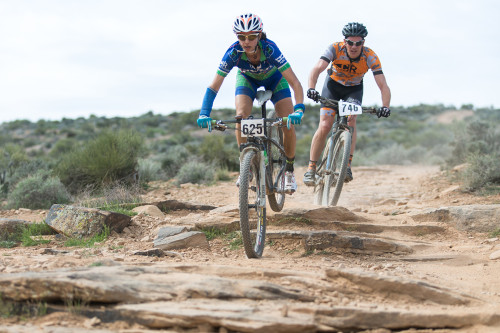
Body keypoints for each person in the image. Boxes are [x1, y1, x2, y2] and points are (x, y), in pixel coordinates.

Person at [197, 13, 305, 193]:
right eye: (241, 37)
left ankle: (289, 171)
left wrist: (299, 109)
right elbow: (214, 86)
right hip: (248, 80)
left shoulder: (270, 49)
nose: (246, 41)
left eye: (252, 37)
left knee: (287, 121)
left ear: (259, 35)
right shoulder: (233, 53)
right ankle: (246, 166)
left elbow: (295, 82)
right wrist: (204, 113)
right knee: (241, 117)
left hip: (275, 79)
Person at [304, 22, 391, 185]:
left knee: (351, 120)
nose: (354, 46)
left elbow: (383, 84)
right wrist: (311, 88)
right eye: (350, 42)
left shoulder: (370, 56)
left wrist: (385, 106)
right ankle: (311, 168)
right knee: (325, 125)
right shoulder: (335, 48)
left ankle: (347, 165)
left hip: (353, 90)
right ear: (345, 42)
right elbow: (317, 68)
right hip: (332, 87)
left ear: (363, 43)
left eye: (358, 43)